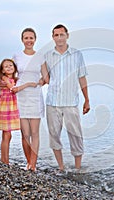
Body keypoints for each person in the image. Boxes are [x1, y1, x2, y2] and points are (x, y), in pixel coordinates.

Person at [0, 28, 46, 172]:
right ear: (22, 40)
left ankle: (33, 165)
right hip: (20, 98)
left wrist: (40, 82)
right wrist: (0, 82)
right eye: (26, 38)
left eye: (31, 38)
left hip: (35, 97)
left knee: (35, 133)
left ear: (35, 39)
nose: (29, 40)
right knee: (25, 134)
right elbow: (8, 74)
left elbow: (46, 77)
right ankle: (28, 162)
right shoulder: (16, 56)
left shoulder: (40, 56)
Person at [42, 24, 90, 171]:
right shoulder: (47, 56)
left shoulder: (77, 54)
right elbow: (46, 78)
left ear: (67, 35)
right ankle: (61, 167)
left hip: (71, 102)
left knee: (76, 135)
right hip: (53, 102)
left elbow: (82, 78)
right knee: (54, 135)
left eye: (62, 34)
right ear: (53, 37)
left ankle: (77, 168)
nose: (59, 38)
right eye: (56, 35)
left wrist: (87, 99)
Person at [0, 58, 37, 165]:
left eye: (11, 65)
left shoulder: (15, 79)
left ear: (14, 68)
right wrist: (27, 84)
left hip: (14, 108)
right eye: (6, 66)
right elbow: (13, 89)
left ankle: (5, 161)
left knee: (9, 134)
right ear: (3, 70)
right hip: (6, 108)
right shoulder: (4, 78)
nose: (9, 67)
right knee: (7, 134)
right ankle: (5, 161)